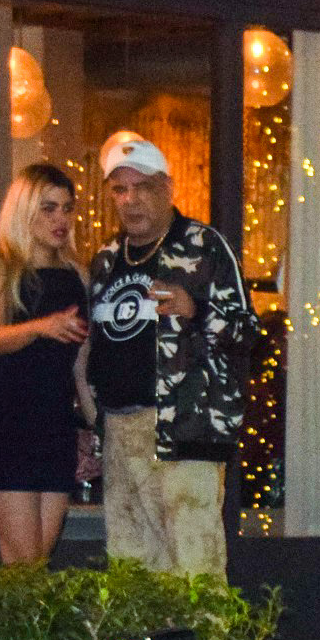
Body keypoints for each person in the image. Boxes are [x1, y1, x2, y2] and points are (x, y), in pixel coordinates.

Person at [78, 131, 254, 579]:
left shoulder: (203, 246)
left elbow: (246, 332)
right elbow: (94, 350)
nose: (131, 200)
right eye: (120, 189)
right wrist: (90, 426)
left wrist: (195, 311)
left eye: (144, 187)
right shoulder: (104, 259)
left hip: (183, 430)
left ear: (167, 189)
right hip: (119, 430)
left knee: (194, 562)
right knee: (131, 562)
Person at [0, 163, 91, 565]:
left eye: (67, 209)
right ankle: (5, 629)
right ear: (24, 210)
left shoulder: (77, 273)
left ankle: (18, 629)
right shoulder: (1, 265)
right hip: (6, 418)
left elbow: (80, 365)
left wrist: (93, 425)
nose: (61, 220)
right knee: (21, 562)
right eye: (49, 208)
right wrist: (42, 327)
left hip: (53, 422)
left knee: (36, 562)